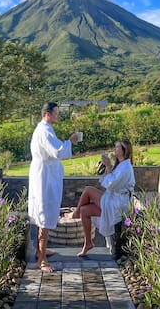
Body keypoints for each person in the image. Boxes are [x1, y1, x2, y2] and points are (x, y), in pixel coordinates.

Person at [28, 102, 79, 272]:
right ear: (47, 114)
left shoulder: (44, 129)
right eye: (56, 113)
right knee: (44, 215)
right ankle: (41, 261)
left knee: (43, 213)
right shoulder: (45, 131)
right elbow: (58, 151)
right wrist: (70, 141)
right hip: (45, 179)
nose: (58, 116)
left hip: (44, 176)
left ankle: (39, 251)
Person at [66, 139, 135, 257]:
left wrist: (108, 165)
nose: (115, 149)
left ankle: (75, 214)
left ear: (124, 150)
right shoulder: (120, 165)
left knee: (88, 190)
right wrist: (109, 166)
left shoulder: (126, 168)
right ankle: (88, 243)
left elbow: (111, 184)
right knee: (85, 211)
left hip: (118, 203)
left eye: (117, 147)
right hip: (113, 199)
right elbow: (109, 180)